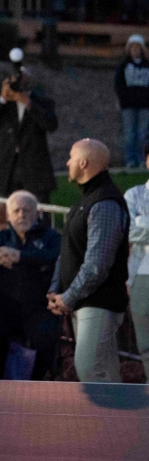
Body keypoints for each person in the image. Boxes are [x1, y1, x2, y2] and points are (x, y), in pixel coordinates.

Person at [48, 139, 130, 383]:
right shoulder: (86, 201)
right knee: (102, 370)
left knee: (91, 369)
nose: (67, 162)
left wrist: (68, 297)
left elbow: (97, 265)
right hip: (83, 301)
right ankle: (119, 421)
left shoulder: (104, 202)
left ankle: (113, 421)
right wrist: (56, 290)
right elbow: (68, 251)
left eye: (71, 157)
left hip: (98, 301)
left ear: (83, 163)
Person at [0, 191, 61, 380]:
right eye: (16, 211)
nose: (21, 215)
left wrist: (21, 257)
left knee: (43, 344)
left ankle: (32, 391)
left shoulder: (50, 238)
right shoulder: (2, 238)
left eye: (27, 210)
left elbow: (58, 256)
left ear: (37, 213)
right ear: (8, 215)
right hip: (5, 308)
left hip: (40, 307)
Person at [0, 66, 58, 203]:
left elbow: (51, 124)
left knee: (38, 212)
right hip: (6, 170)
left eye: (22, 78)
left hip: (34, 170)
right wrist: (2, 99)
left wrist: (28, 103)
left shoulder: (42, 102)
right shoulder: (4, 105)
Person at [124, 141, 149, 380]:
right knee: (146, 343)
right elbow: (130, 232)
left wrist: (145, 222)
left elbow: (138, 229)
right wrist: (140, 225)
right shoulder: (134, 195)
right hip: (142, 275)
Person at [115, 34, 149, 168]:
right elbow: (119, 85)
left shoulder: (147, 66)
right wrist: (123, 100)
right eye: (133, 47)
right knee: (129, 134)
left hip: (145, 106)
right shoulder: (123, 66)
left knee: (142, 135)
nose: (135, 50)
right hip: (128, 106)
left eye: (138, 47)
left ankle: (141, 160)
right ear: (129, 49)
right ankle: (129, 160)